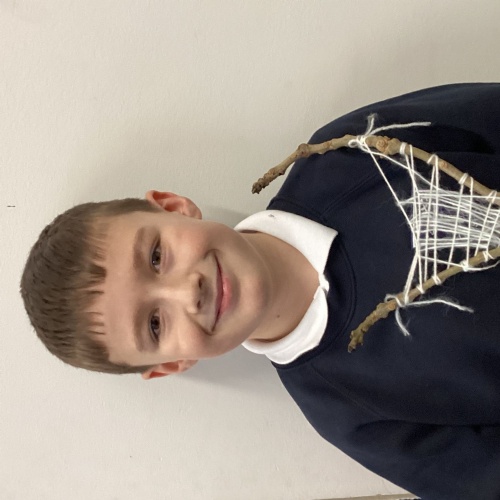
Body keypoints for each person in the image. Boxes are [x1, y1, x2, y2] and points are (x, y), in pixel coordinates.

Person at [21, 83, 500, 499]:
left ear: (173, 207)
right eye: (154, 324)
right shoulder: (347, 413)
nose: (188, 293)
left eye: (156, 257)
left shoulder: (344, 153)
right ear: (172, 363)